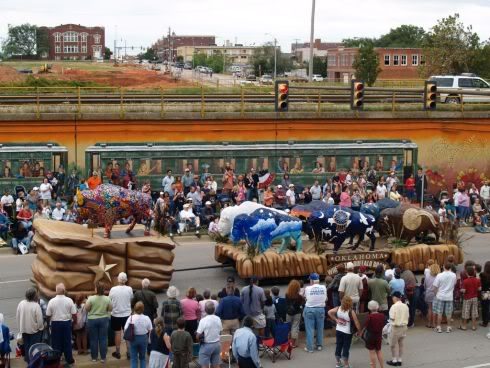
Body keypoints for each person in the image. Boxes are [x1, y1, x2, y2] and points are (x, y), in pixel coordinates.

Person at [46, 283, 77, 366]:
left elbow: (48, 315)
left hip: (55, 324)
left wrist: (49, 324)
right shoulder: (69, 300)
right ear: (64, 290)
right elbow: (74, 314)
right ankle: (69, 359)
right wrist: (74, 322)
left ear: (56, 291)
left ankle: (57, 360)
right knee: (67, 342)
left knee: (56, 343)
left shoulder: (51, 301)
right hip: (66, 323)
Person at [328, 296, 361, 368]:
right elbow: (356, 323)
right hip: (347, 332)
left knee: (338, 346)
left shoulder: (338, 308)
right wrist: (359, 331)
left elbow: (329, 312)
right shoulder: (351, 311)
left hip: (339, 330)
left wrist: (336, 320)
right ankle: (346, 364)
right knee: (346, 347)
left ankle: (338, 362)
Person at [109, 272, 134, 360]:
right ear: (126, 280)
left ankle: (118, 352)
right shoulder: (129, 289)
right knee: (127, 333)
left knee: (117, 333)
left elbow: (110, 300)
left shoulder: (113, 289)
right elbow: (131, 299)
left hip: (115, 314)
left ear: (118, 279)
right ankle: (129, 352)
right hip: (127, 314)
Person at [16, 287, 44, 363]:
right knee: (34, 348)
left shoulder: (21, 303)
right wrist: (41, 328)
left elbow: (17, 316)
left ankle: (29, 361)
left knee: (27, 346)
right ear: (34, 296)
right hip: (34, 331)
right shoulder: (36, 306)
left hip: (24, 330)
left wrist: (20, 328)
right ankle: (34, 361)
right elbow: (40, 320)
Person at [85, 282, 112, 363]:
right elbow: (110, 309)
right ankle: (103, 358)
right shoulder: (107, 298)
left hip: (92, 319)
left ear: (96, 289)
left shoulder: (91, 298)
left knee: (93, 339)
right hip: (104, 319)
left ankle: (94, 358)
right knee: (103, 339)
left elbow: (87, 309)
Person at [303, 273, 327, 353]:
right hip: (320, 309)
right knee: (320, 328)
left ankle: (310, 348)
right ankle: (319, 345)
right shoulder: (323, 287)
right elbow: (325, 298)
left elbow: (305, 297)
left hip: (310, 309)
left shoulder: (307, 288)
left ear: (312, 280)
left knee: (310, 329)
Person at [125, 301, 153, 368]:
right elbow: (150, 329)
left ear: (135, 309)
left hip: (133, 338)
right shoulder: (146, 318)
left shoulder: (131, 318)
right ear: (143, 309)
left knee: (134, 358)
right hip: (143, 338)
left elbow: (126, 328)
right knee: (143, 358)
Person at [196, 302, 222, 368]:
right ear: (214, 310)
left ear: (205, 310)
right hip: (217, 344)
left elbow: (198, 335)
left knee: (205, 366)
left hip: (206, 345)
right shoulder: (218, 318)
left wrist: (198, 339)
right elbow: (220, 331)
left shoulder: (203, 320)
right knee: (216, 365)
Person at [433, 262, 457, 333]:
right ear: (450, 268)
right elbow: (454, 284)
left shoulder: (439, 275)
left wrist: (436, 294)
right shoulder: (454, 275)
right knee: (448, 313)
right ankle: (448, 327)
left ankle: (439, 327)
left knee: (439, 313)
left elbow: (435, 286)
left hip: (440, 296)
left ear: (443, 267)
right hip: (449, 296)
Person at [387, 291, 409, 366]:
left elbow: (392, 318)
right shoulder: (405, 306)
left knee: (393, 345)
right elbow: (407, 317)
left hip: (396, 328)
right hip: (404, 327)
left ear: (395, 298)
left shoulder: (393, 307)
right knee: (401, 344)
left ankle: (394, 360)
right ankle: (400, 359)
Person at [363, 300, 386, 368]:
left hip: (370, 336)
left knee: (372, 352)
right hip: (379, 335)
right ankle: (382, 366)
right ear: (377, 307)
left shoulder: (369, 317)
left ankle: (373, 367)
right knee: (379, 351)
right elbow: (384, 324)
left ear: (369, 308)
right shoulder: (382, 315)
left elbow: (365, 326)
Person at [285, 279, 304, 348]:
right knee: (295, 327)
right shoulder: (299, 297)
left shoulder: (287, 295)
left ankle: (287, 341)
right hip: (297, 313)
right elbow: (301, 305)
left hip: (289, 313)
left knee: (288, 327)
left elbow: (286, 304)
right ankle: (293, 343)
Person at [424, 263, 441, 329]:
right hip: (436, 293)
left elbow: (425, 285)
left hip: (428, 293)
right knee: (435, 310)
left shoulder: (427, 275)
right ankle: (434, 323)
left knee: (429, 309)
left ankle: (429, 323)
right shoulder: (439, 276)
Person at [480, 261, 490, 328]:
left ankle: (485, 322)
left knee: (485, 307)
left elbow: (481, 284)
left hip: (485, 292)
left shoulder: (482, 274)